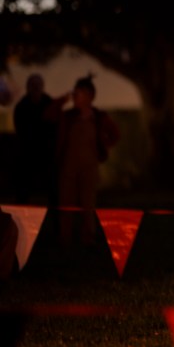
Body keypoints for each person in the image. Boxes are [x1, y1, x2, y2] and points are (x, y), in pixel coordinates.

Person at [56, 75, 121, 248]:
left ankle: (87, 237)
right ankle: (65, 238)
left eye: (80, 93)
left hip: (89, 166)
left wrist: (103, 146)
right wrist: (64, 99)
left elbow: (115, 134)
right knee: (66, 203)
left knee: (88, 204)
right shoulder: (68, 116)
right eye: (75, 93)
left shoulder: (99, 117)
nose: (76, 96)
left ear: (90, 95)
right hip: (68, 166)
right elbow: (47, 115)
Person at [13, 73, 64, 206]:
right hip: (27, 154)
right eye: (33, 85)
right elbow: (21, 131)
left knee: (54, 191)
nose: (35, 88)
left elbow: (58, 128)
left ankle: (54, 218)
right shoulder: (21, 107)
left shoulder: (50, 105)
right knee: (23, 190)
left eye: (38, 85)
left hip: (48, 154)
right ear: (28, 87)